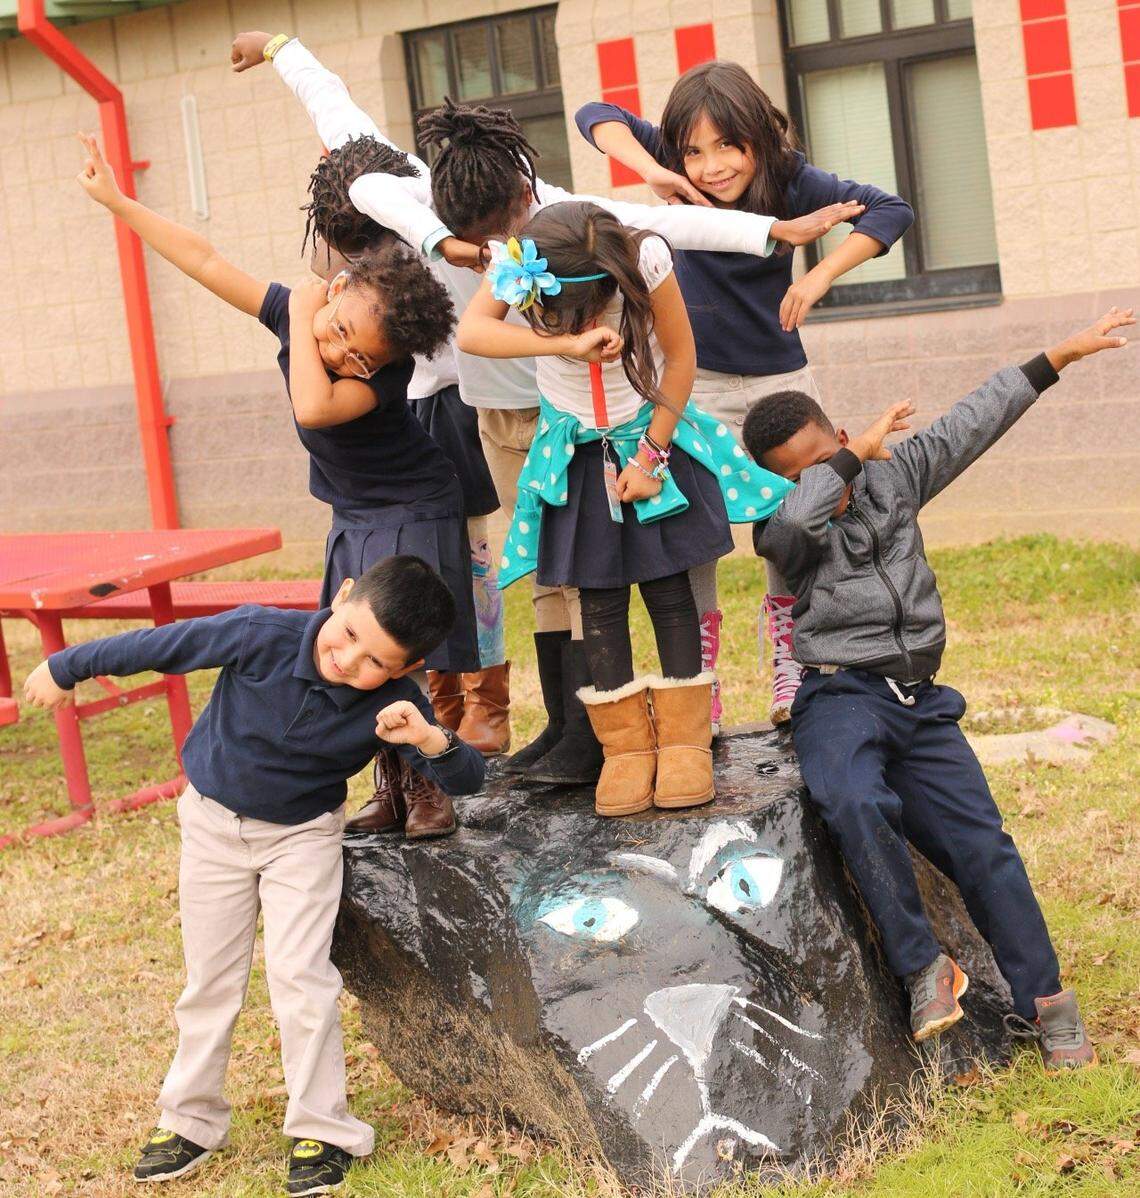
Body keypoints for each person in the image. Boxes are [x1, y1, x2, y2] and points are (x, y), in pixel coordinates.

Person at [230, 29, 858, 784]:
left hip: (601, 417)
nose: (503, 242)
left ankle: (637, 735)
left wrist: (769, 233)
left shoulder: (570, 224)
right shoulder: (433, 212)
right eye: (485, 235)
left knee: (642, 574)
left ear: (528, 196)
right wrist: (283, 51)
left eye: (509, 228)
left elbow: (671, 226)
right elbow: (350, 153)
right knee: (564, 575)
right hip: (510, 416)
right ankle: (578, 729)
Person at [741, 305, 1133, 1062]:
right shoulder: (785, 527)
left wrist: (1061, 354)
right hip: (839, 698)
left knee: (985, 848)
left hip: (918, 701)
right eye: (802, 473)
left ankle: (1046, 1007)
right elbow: (794, 531)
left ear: (843, 430)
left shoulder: (900, 476)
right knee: (853, 800)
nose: (824, 478)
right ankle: (923, 968)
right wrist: (843, 465)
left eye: (827, 455)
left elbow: (976, 417)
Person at [22, 556, 486, 1194]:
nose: (350, 662)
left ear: (406, 669)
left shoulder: (398, 702)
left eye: (377, 661)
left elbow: (469, 780)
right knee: (209, 980)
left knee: (302, 977)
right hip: (213, 826)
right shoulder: (258, 634)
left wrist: (429, 741)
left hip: (301, 839)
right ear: (341, 596)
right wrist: (65, 665)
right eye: (348, 634)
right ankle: (190, 1118)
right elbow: (159, 646)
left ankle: (322, 1128)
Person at [76, 131, 474, 841]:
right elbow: (204, 258)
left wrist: (299, 313)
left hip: (412, 506)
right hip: (356, 510)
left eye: (359, 353)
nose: (340, 352)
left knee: (399, 642)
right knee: (347, 650)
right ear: (342, 287)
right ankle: (390, 784)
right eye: (340, 330)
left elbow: (315, 407)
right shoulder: (301, 309)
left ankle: (427, 786)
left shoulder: (368, 374)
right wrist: (117, 200)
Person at [575, 61, 914, 727]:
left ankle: (793, 660)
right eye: (696, 151)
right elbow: (594, 114)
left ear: (756, 137)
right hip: (691, 385)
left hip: (778, 384)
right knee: (692, 528)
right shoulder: (674, 162)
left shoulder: (789, 179)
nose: (712, 166)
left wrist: (818, 279)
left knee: (790, 524)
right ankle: (701, 674)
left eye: (727, 146)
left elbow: (890, 208)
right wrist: (658, 169)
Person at [457, 201, 792, 818]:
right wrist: (562, 339)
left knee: (670, 590)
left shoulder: (647, 259)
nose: (575, 319)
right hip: (575, 452)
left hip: (650, 439)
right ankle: (627, 753)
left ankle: (686, 745)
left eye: (585, 309)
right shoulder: (519, 258)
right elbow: (472, 333)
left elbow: (682, 360)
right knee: (599, 600)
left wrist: (651, 456)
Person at [297, 121, 511, 760]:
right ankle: (437, 705)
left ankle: (488, 705)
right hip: (402, 417)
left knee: (475, 569)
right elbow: (330, 104)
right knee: (408, 579)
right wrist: (281, 51)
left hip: (460, 408)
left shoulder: (429, 224)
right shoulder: (357, 278)